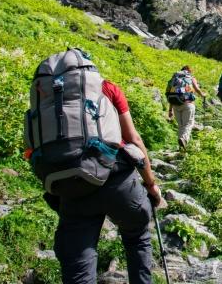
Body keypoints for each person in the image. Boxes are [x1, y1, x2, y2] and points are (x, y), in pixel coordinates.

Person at [54, 79, 164, 284]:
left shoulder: (49, 93)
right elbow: (133, 138)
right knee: (137, 236)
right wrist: (151, 184)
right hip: (118, 179)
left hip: (73, 185)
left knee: (78, 256)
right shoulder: (107, 87)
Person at [166, 65, 207, 150]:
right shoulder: (190, 77)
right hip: (188, 104)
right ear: (189, 71)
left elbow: (170, 93)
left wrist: (170, 110)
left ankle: (181, 147)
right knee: (188, 124)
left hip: (175, 105)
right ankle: (184, 139)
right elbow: (196, 88)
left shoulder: (174, 79)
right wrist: (203, 94)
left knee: (181, 125)